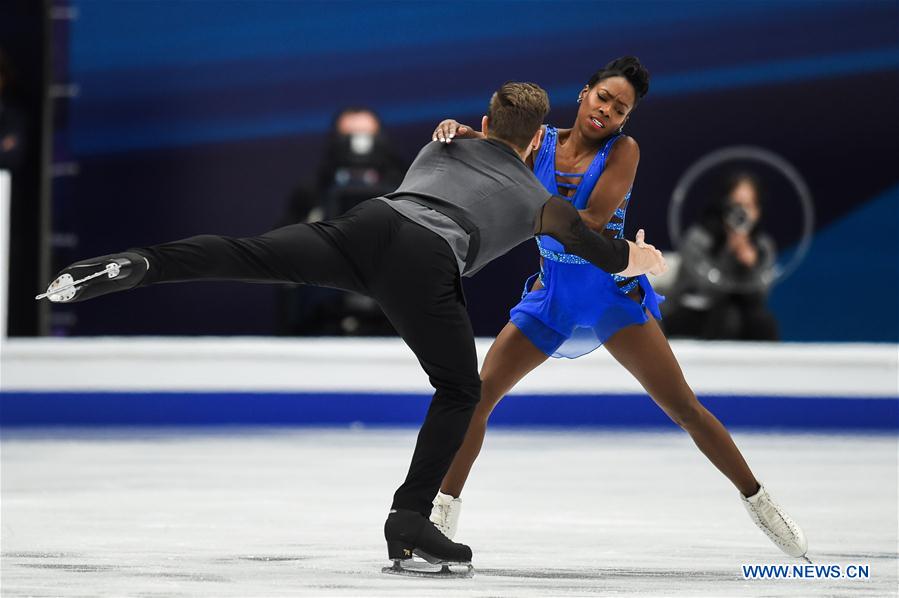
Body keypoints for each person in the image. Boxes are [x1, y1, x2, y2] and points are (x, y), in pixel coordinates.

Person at [35, 82, 667, 576]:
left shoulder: (440, 143)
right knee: (460, 392)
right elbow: (596, 247)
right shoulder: (543, 200)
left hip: (367, 227)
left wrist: (456, 130)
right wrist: (636, 259)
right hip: (426, 261)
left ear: (484, 120)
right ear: (536, 142)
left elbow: (458, 141)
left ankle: (143, 263)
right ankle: (408, 519)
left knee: (244, 252)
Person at [428, 58, 806, 559]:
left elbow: (589, 221)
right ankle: (441, 515)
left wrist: (520, 210)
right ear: (585, 93)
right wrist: (459, 133)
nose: (607, 110)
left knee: (684, 408)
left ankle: (760, 502)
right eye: (603, 97)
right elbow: (492, 151)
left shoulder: (623, 151)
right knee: (478, 397)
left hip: (611, 298)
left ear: (626, 119)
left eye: (620, 107)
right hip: (551, 300)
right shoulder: (538, 139)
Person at [663, 172, 779, 340]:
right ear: (723, 206)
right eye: (736, 205)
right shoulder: (699, 238)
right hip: (695, 311)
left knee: (763, 323)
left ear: (758, 211)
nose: (742, 213)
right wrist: (728, 251)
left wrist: (751, 265)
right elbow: (706, 286)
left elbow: (761, 293)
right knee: (727, 319)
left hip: (743, 313)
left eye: (748, 206)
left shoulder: (762, 246)